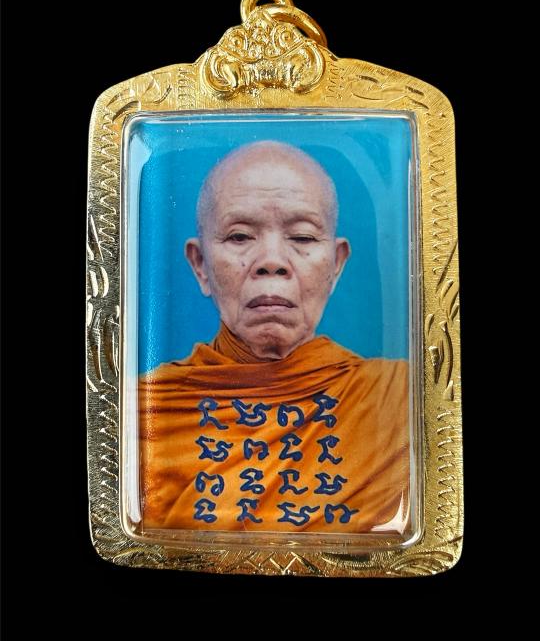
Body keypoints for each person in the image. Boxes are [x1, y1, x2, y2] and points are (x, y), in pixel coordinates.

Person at [139, 140, 410, 534]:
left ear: (335, 266)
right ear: (200, 266)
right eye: (239, 237)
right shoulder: (145, 416)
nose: (271, 262)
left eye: (302, 238)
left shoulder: (399, 403)